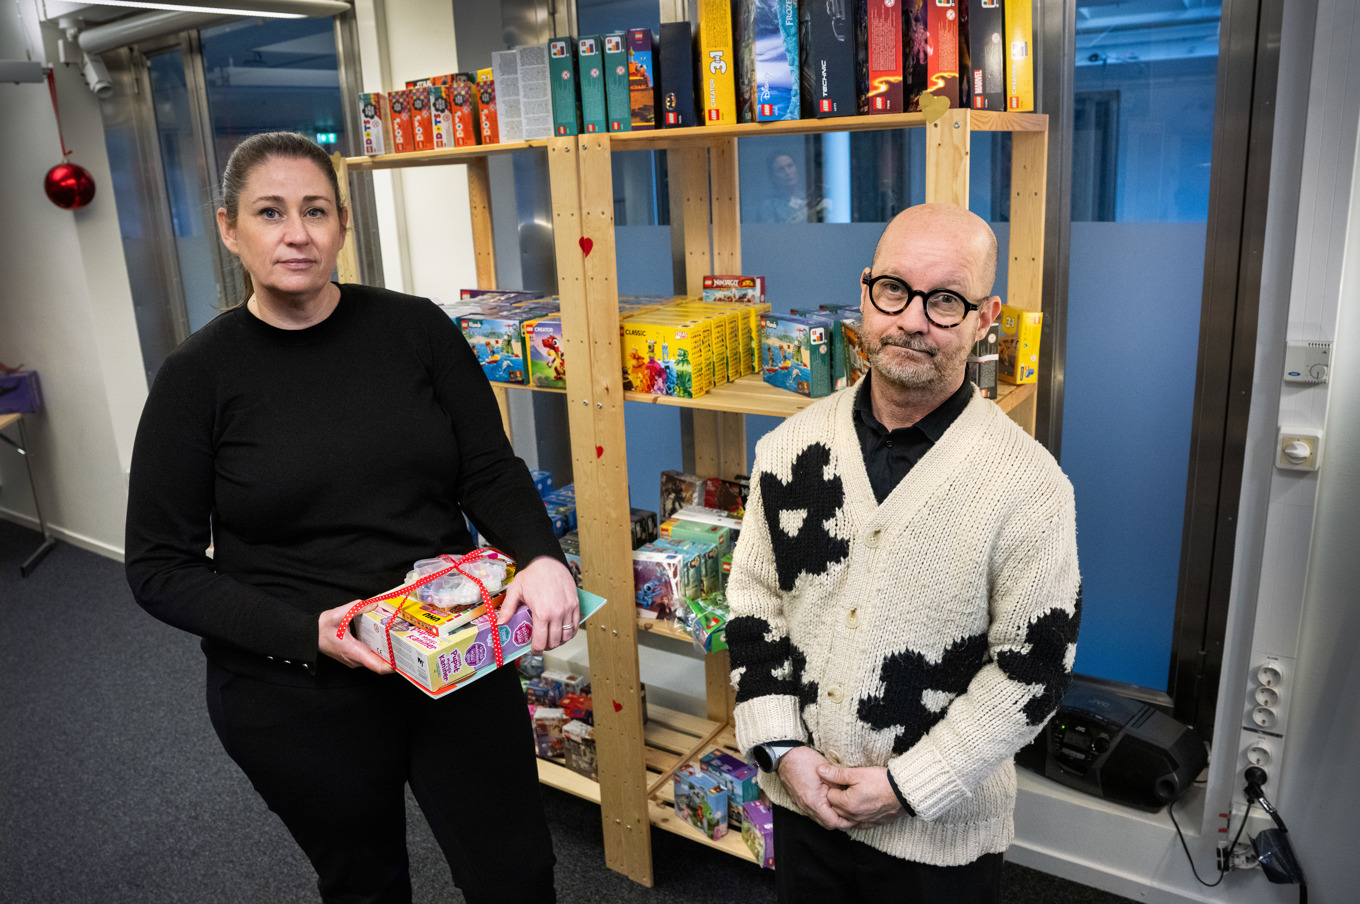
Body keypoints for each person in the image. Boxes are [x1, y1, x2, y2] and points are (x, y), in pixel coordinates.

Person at [124, 131, 579, 904]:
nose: (297, 233)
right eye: (270, 213)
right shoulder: (197, 377)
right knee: (364, 883)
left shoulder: (415, 330)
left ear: (342, 225)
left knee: (517, 874)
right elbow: (158, 567)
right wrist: (310, 633)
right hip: (297, 684)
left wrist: (539, 556)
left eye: (316, 210)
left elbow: (487, 469)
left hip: (451, 655)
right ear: (230, 229)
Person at [727, 203, 1081, 903]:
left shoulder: (1030, 486)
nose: (913, 320)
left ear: (986, 317)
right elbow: (753, 602)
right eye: (894, 290)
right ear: (865, 293)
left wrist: (905, 788)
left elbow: (1031, 672)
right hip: (806, 806)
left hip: (937, 842)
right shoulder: (788, 448)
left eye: (946, 301)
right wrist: (782, 750)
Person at [755, 152, 830, 223]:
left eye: (790, 166)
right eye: (780, 170)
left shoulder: (813, 196)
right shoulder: (769, 206)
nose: (787, 172)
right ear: (773, 177)